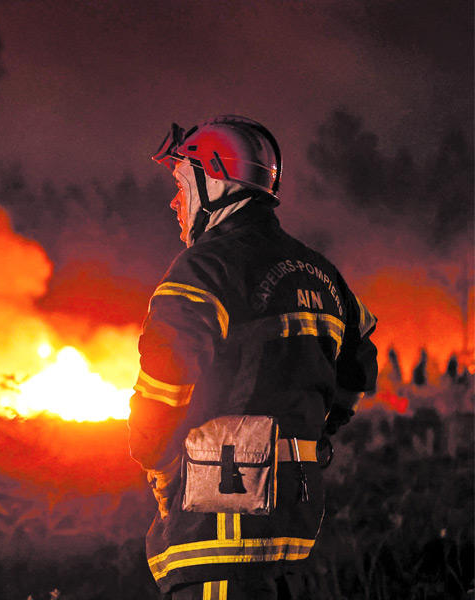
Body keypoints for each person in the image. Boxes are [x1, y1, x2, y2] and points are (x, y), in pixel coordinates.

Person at [128, 115, 378, 599]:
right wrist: (319, 432)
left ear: (216, 181)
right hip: (296, 541)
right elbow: (357, 368)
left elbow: (162, 388)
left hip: (217, 536)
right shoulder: (320, 273)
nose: (174, 202)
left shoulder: (204, 268)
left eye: (181, 185)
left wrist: (157, 463)